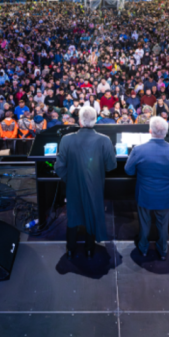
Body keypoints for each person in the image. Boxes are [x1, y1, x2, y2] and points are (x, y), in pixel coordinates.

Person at [54, 107, 117, 259]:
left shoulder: (66, 139)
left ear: (80, 121)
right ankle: (90, 249)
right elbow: (111, 166)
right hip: (95, 185)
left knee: (73, 214)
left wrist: (70, 180)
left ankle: (71, 248)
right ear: (95, 121)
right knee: (92, 212)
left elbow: (59, 167)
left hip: (73, 185)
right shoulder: (105, 140)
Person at [124, 116, 169, 260]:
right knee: (163, 225)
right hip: (165, 195)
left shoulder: (138, 149)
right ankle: (163, 250)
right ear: (166, 132)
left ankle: (143, 248)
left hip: (145, 194)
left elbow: (129, 171)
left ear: (150, 131)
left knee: (144, 223)